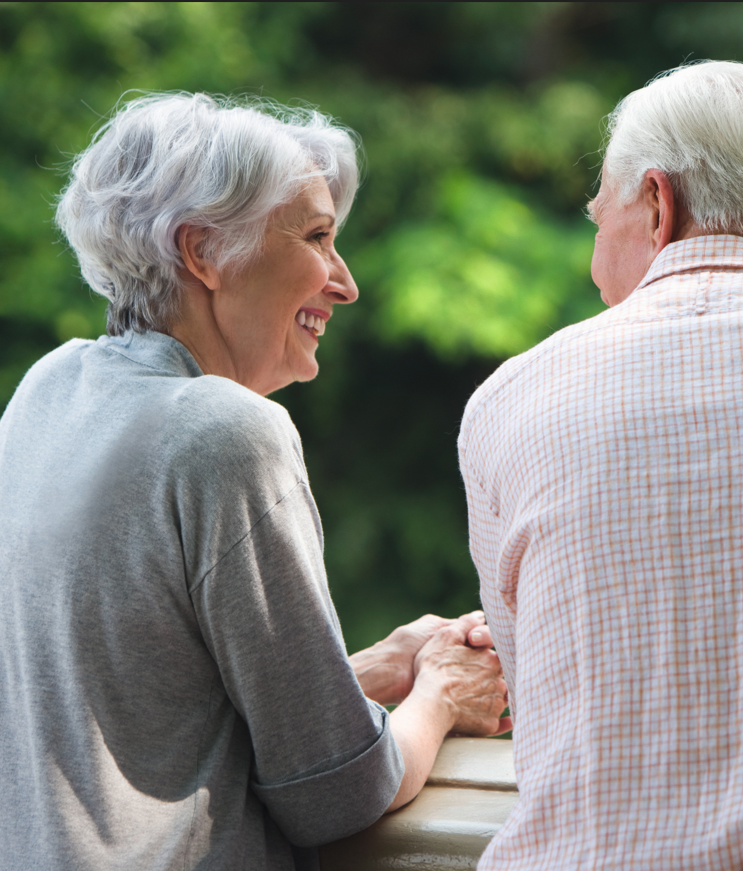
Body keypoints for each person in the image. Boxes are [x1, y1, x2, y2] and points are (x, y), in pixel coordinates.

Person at [0, 93, 509, 871]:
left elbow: (144, 714)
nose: (345, 283)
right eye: (317, 237)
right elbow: (336, 793)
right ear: (203, 251)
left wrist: (373, 666)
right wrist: (438, 693)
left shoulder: (48, 389)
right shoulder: (226, 431)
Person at [459, 60, 743, 869]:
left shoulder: (510, 398)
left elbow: (531, 696)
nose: (592, 267)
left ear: (657, 202)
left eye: (596, 221)